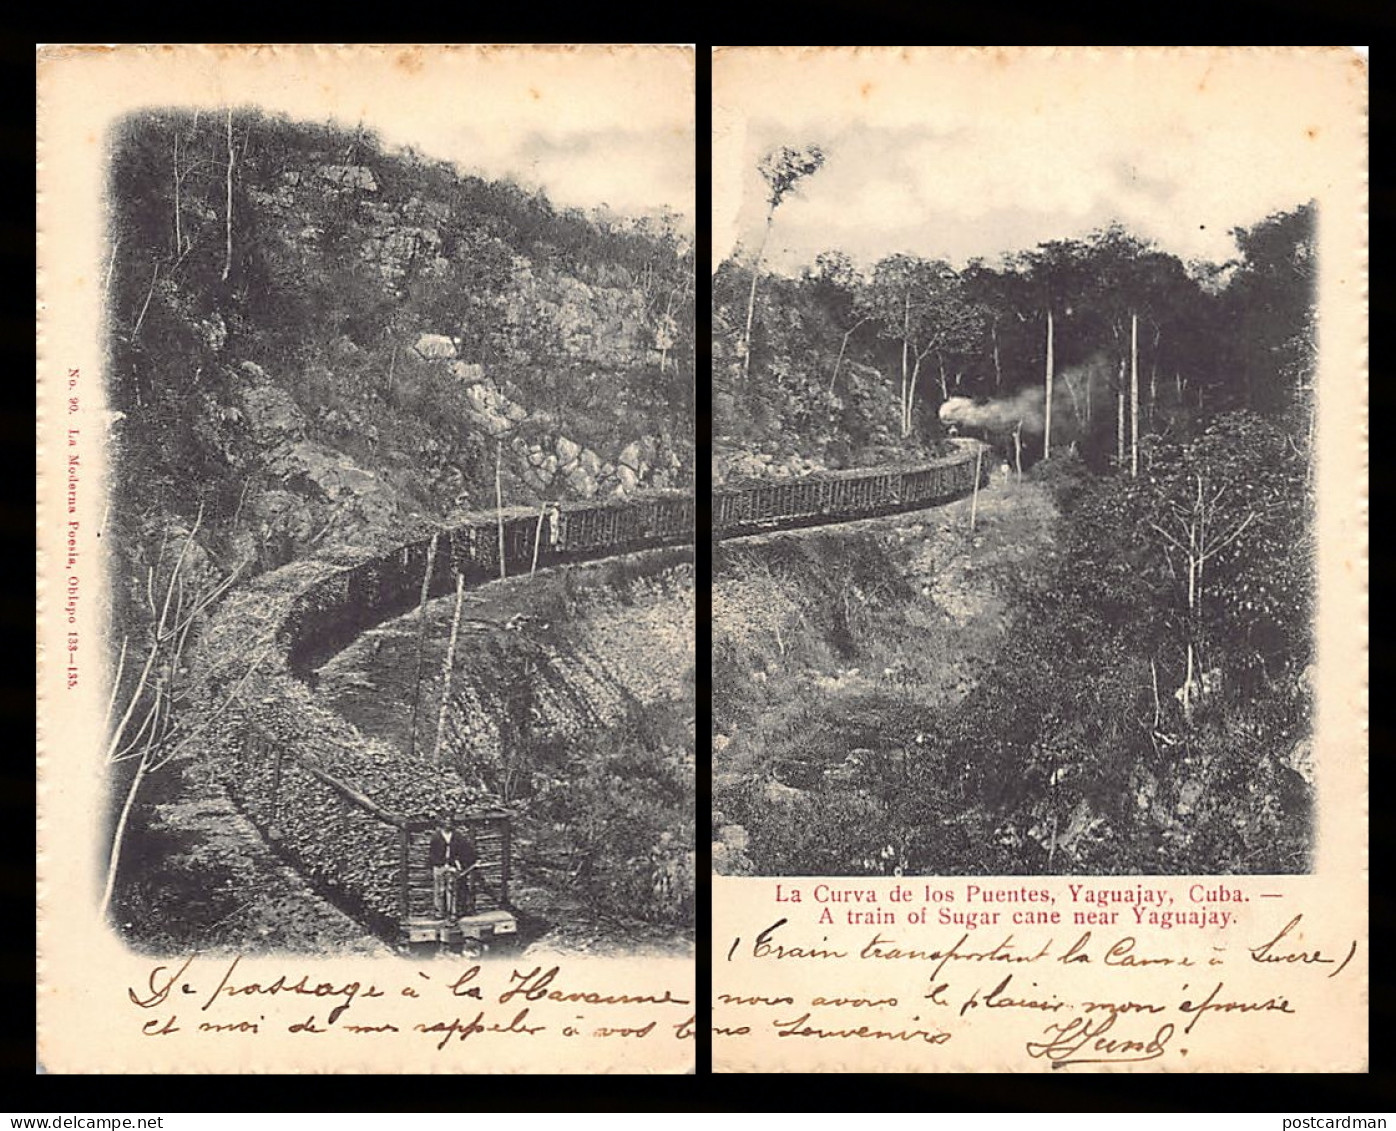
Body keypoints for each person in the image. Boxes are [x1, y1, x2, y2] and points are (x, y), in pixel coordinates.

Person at [428, 815, 479, 919]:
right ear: (441, 823)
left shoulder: (457, 836)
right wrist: (439, 863)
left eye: (450, 822)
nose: (448, 823)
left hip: (452, 866)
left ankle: (453, 913)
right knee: (439, 890)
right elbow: (432, 853)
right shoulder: (436, 837)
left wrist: (461, 863)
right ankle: (439, 913)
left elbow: (466, 850)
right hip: (439, 866)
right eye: (445, 821)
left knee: (452, 890)